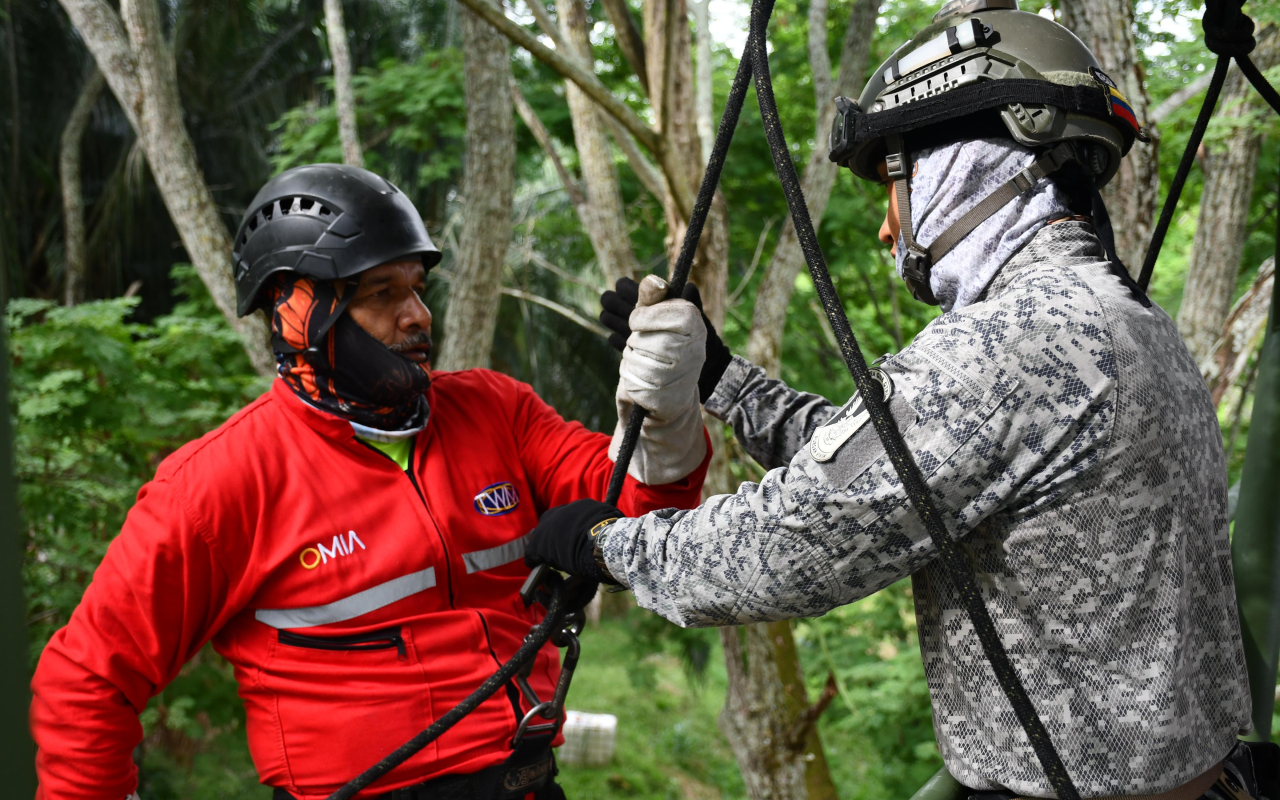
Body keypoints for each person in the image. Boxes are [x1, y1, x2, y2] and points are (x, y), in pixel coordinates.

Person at [525, 2, 1258, 798]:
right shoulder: (1120, 316)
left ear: (967, 165)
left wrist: (607, 543)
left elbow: (788, 544)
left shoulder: (1016, 341)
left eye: (895, 183)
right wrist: (722, 382)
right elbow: (893, 461)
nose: (887, 228)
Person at [29, 164, 711, 800]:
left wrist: (667, 411)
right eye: (382, 294)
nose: (417, 315)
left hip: (527, 782)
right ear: (296, 313)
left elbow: (639, 515)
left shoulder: (493, 410)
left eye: (416, 287)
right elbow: (86, 681)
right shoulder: (222, 482)